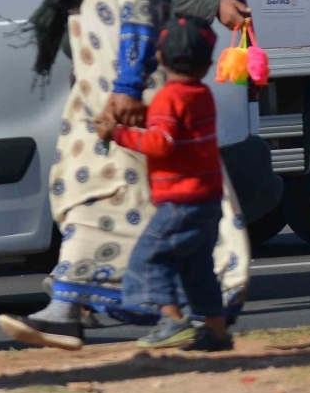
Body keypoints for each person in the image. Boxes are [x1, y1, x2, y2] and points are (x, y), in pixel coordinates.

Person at [0, 0, 249, 351]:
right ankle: (148, 312)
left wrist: (128, 88)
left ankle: (78, 308)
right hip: (101, 91)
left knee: (115, 197)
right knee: (101, 196)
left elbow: (141, 5)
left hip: (126, 90)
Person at [97, 17, 232, 351]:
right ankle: (215, 331)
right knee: (196, 267)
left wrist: (118, 133)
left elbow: (162, 143)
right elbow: (175, 127)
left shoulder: (168, 97)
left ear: (159, 57)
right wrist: (144, 116)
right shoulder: (200, 94)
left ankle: (173, 321)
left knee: (151, 258)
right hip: (207, 200)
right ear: (208, 62)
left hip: (180, 202)